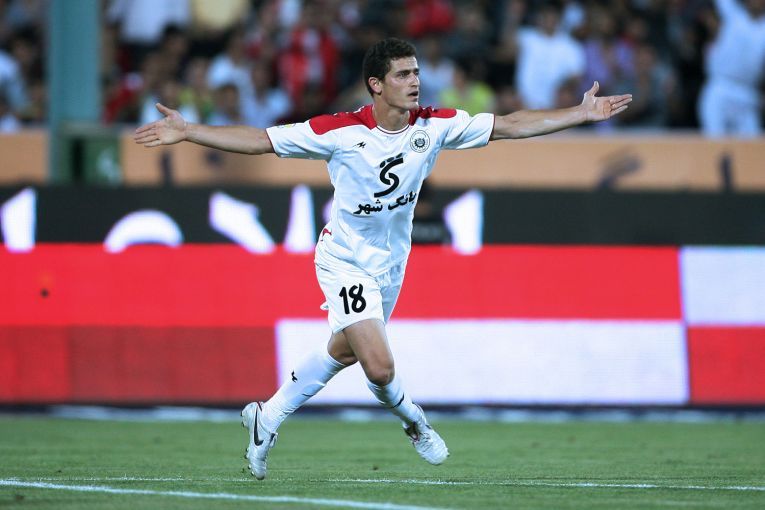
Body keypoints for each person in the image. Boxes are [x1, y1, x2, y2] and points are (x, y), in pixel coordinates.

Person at [134, 37, 631, 480]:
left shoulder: (434, 125)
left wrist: (578, 114)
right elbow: (262, 141)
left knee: (345, 351)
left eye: (416, 73)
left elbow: (510, 126)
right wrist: (190, 130)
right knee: (379, 366)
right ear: (376, 84)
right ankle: (416, 423)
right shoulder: (339, 131)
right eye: (403, 74)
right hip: (344, 259)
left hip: (392, 264)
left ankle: (268, 415)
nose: (415, 82)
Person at [699, 0, 765, 137]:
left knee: (752, 145)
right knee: (714, 142)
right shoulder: (733, 15)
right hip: (720, 88)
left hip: (747, 93)